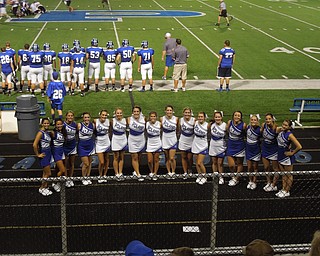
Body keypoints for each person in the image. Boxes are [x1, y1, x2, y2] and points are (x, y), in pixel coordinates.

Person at [275, 119, 302, 198]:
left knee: (288, 175)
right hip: (280, 155)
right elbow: (276, 129)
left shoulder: (290, 135)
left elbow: (299, 146)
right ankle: (283, 189)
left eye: (286, 125)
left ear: (290, 127)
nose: (283, 126)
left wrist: (292, 153)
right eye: (283, 124)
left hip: (287, 157)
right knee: (283, 174)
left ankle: (287, 191)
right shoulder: (282, 131)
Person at [33, 118, 53, 196]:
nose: (46, 125)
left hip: (48, 153)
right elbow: (34, 145)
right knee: (48, 173)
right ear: (42, 124)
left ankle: (45, 186)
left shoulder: (46, 132)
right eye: (45, 123)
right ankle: (42, 187)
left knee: (45, 172)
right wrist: (38, 154)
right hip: (44, 154)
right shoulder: (40, 133)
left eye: (48, 123)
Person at [226, 111, 246, 186]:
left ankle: (236, 178)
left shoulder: (243, 125)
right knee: (231, 165)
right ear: (233, 116)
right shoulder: (229, 122)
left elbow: (245, 134)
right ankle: (233, 175)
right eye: (235, 115)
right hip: (231, 145)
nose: (237, 117)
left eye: (238, 115)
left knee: (239, 163)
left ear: (241, 117)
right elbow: (227, 131)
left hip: (239, 146)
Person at [261, 113, 280, 192]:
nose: (268, 120)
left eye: (269, 119)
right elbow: (260, 133)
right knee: (266, 167)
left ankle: (273, 185)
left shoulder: (276, 128)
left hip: (273, 150)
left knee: (275, 168)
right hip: (265, 148)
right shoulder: (263, 125)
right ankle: (268, 182)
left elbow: (284, 134)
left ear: (272, 119)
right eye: (266, 119)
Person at [127, 106, 145, 181]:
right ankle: (138, 174)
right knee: (134, 157)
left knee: (139, 157)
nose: (136, 113)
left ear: (140, 112)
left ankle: (135, 170)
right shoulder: (129, 119)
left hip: (141, 139)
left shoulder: (144, 119)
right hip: (132, 140)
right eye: (134, 111)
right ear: (132, 112)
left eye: (137, 111)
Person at [208, 110, 227, 185]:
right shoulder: (211, 125)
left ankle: (221, 176)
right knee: (214, 162)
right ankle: (215, 175)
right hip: (213, 145)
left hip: (221, 146)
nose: (217, 118)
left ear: (221, 117)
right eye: (216, 117)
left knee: (220, 163)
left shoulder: (225, 125)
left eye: (219, 117)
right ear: (214, 118)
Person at [161, 105, 178, 178]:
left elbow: (178, 129)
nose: (169, 112)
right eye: (167, 110)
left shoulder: (176, 119)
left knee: (172, 158)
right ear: (165, 111)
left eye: (170, 110)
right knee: (167, 157)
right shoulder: (162, 118)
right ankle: (168, 172)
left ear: (172, 111)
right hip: (165, 139)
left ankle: (173, 172)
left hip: (173, 139)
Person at [78, 112, 95, 185]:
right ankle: (83, 177)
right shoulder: (79, 125)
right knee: (86, 163)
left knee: (90, 162)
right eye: (85, 117)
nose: (87, 119)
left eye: (88, 117)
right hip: (82, 146)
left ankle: (88, 176)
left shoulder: (93, 125)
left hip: (90, 145)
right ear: (83, 118)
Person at [192, 112, 209, 185]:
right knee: (196, 162)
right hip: (195, 143)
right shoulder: (195, 122)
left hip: (203, 145)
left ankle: (204, 176)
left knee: (200, 162)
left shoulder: (207, 125)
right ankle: (199, 175)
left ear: (204, 118)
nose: (200, 118)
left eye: (201, 117)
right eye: (199, 116)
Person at [178, 107, 195, 179]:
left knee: (190, 158)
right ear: (183, 113)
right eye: (186, 112)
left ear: (191, 113)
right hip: (183, 140)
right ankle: (185, 172)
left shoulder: (194, 120)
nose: (187, 114)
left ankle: (190, 170)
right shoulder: (180, 120)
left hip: (191, 141)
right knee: (184, 157)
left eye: (188, 113)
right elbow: (179, 130)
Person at [246, 114, 262, 190]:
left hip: (256, 150)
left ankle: (255, 181)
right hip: (248, 149)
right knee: (249, 167)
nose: (253, 121)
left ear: (257, 121)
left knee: (255, 167)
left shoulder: (260, 129)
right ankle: (250, 181)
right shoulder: (248, 127)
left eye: (255, 120)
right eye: (252, 120)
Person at [94, 110, 111, 183]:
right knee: (101, 162)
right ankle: (100, 175)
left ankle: (105, 175)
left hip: (106, 142)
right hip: (99, 143)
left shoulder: (108, 121)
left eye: (105, 115)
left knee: (107, 159)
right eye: (103, 115)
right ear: (99, 115)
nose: (104, 116)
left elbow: (110, 130)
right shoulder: (95, 121)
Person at [111, 107, 127, 181]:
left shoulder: (125, 120)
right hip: (115, 139)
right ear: (115, 114)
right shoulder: (112, 121)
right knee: (116, 157)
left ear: (122, 114)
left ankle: (120, 173)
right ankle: (116, 173)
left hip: (123, 139)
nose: (119, 114)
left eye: (120, 113)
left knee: (121, 157)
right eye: (118, 113)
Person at [51, 118, 67, 193]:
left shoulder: (63, 132)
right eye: (58, 124)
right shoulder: (53, 133)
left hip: (61, 151)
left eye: (61, 124)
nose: (59, 125)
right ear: (55, 125)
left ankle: (58, 182)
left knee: (58, 169)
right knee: (62, 170)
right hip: (56, 152)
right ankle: (55, 182)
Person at [146, 111, 162, 180]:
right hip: (150, 143)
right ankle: (151, 171)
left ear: (156, 117)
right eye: (151, 116)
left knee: (156, 159)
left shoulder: (160, 124)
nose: (153, 117)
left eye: (154, 116)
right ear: (149, 117)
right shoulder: (147, 124)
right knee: (149, 160)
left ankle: (155, 173)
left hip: (157, 143)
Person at [63, 110, 77, 187]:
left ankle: (70, 178)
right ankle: (65, 178)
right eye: (69, 115)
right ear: (66, 116)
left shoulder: (75, 125)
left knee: (71, 163)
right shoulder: (62, 124)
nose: (70, 117)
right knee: (65, 163)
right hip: (65, 146)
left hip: (72, 145)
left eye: (71, 116)